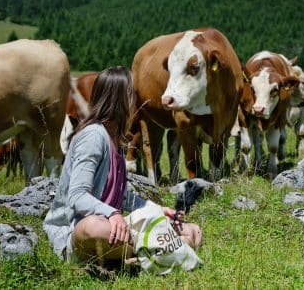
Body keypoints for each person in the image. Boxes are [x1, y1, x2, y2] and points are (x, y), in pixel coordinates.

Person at [43, 66, 202, 265]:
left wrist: (157, 209)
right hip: (75, 231)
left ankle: (141, 250)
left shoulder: (115, 139)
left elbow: (121, 195)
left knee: (193, 231)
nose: (137, 101)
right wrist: (112, 214)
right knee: (94, 228)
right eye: (133, 94)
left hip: (113, 225)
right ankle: (156, 247)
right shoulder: (93, 137)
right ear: (121, 100)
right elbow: (77, 196)